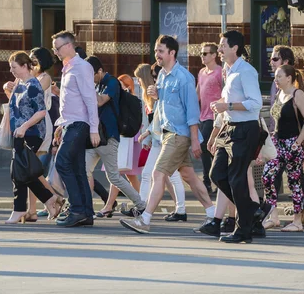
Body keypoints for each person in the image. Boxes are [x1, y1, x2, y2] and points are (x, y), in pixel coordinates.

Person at [119, 35, 215, 234]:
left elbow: (192, 111)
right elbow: (163, 108)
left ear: (172, 53)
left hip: (179, 135)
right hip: (165, 134)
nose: (157, 55)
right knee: (190, 176)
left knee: (157, 173)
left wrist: (195, 139)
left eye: (161, 51)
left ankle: (145, 219)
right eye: (156, 51)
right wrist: (150, 130)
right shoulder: (162, 75)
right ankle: (214, 216)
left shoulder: (184, 77)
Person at [207, 30, 263, 243]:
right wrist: (220, 106)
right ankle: (252, 209)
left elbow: (255, 103)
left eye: (222, 46)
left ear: (234, 48)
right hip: (229, 128)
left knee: (237, 179)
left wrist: (227, 105)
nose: (219, 50)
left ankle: (243, 230)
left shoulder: (246, 71)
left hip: (245, 129)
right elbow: (232, 98)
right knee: (217, 173)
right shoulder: (229, 71)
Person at [3, 51, 63, 224]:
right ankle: (49, 199)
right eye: (10, 67)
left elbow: (41, 111)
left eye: (14, 67)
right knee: (23, 172)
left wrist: (24, 126)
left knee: (18, 172)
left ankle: (19, 209)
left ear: (24, 66)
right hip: (19, 133)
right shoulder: (20, 84)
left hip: (31, 133)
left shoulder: (33, 85)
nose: (11, 70)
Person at [83, 57, 146, 219]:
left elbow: (100, 101)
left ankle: (140, 204)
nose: (90, 78)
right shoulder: (96, 83)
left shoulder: (111, 83)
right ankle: (83, 208)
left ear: (99, 71)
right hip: (94, 135)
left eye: (92, 75)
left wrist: (86, 85)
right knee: (83, 171)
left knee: (114, 176)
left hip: (109, 136)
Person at [51, 31, 100, 227]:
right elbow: (69, 100)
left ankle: (77, 209)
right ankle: (86, 213)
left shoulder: (81, 67)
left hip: (80, 124)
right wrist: (60, 126)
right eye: (54, 48)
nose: (56, 52)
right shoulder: (68, 67)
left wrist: (94, 128)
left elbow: (90, 98)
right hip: (70, 123)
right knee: (78, 168)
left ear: (69, 45)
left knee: (62, 163)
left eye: (58, 48)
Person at [262, 65, 304, 232]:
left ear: (289, 78)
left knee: (294, 181)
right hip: (278, 143)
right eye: (275, 76)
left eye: (279, 76)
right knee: (268, 176)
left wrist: (298, 142)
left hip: (292, 144)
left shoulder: (297, 94)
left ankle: (297, 221)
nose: (275, 79)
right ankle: (273, 216)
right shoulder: (279, 94)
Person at [135, 63, 186, 221]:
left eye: (157, 76)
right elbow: (156, 118)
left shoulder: (167, 89)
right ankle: (142, 208)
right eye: (154, 77)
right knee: (148, 174)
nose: (156, 79)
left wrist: (148, 133)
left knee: (173, 176)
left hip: (169, 138)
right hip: (159, 139)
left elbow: (165, 116)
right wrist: (149, 135)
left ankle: (181, 210)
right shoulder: (157, 92)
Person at [197, 42, 223, 194]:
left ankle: (210, 179)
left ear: (214, 55)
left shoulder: (219, 72)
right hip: (203, 115)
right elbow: (198, 92)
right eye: (201, 53)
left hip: (215, 117)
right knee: (206, 148)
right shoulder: (201, 72)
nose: (202, 56)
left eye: (205, 53)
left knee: (206, 146)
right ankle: (210, 178)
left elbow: (224, 92)